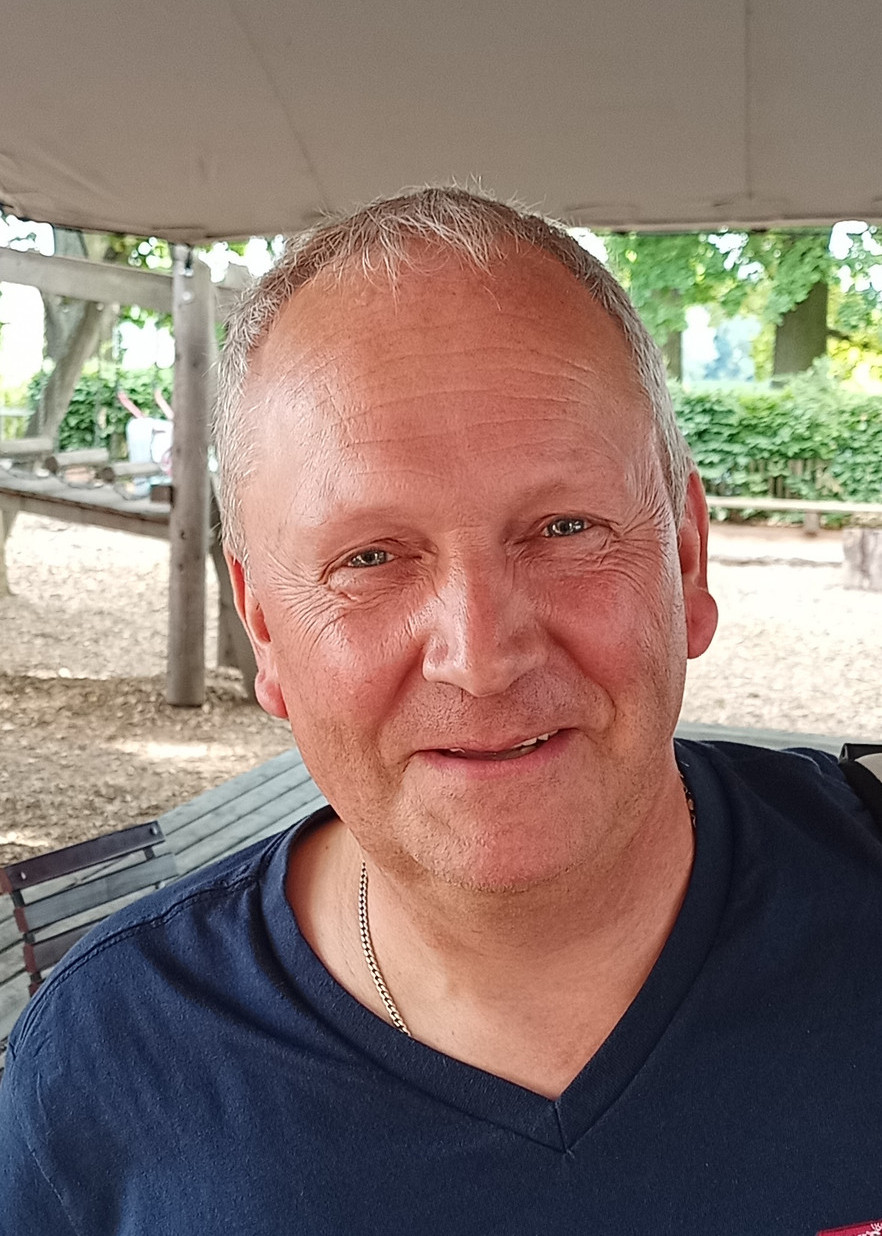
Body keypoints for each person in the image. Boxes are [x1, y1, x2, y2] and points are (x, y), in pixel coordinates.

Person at [1, 187, 881, 1236]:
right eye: (371, 557)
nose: (481, 657)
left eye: (564, 527)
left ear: (686, 558)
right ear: (264, 628)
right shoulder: (108, 1071)